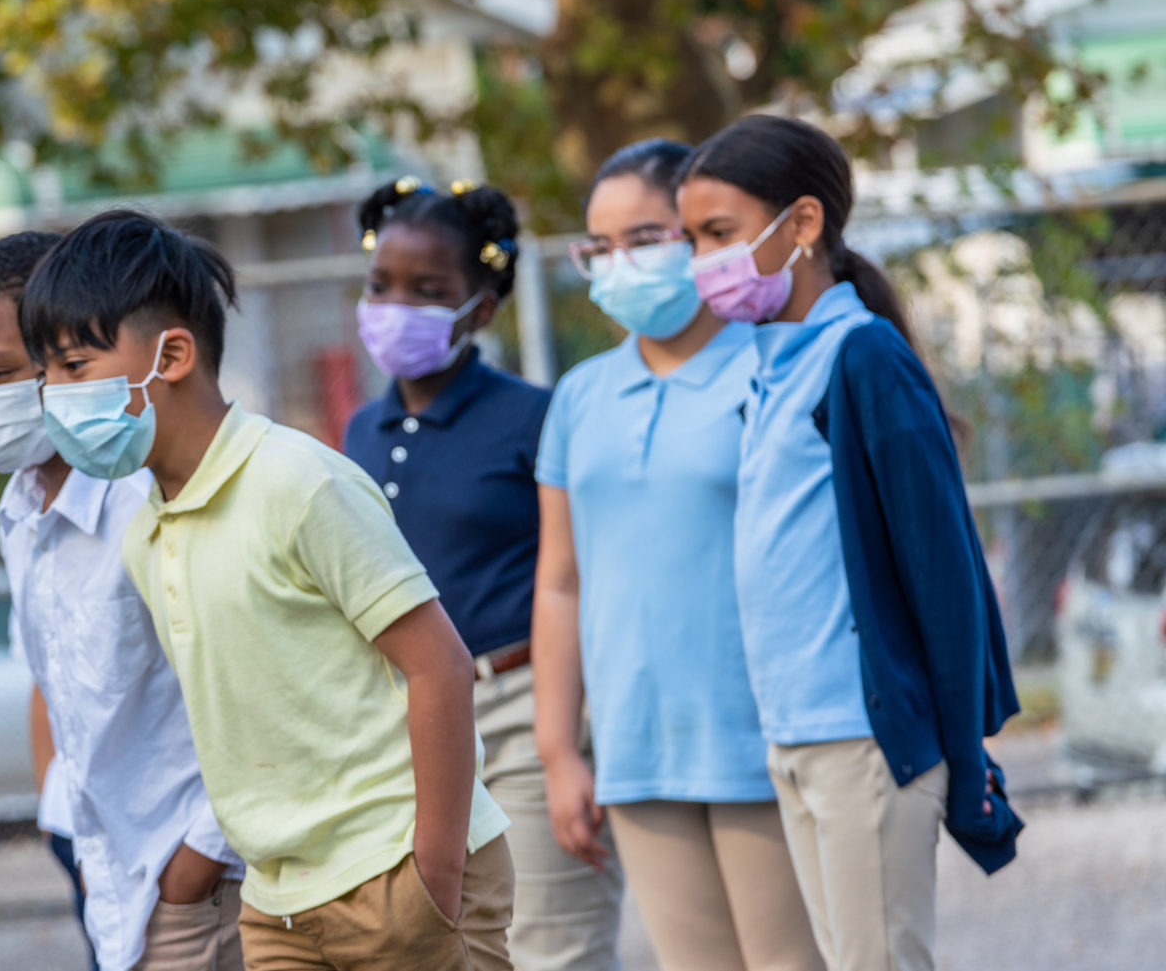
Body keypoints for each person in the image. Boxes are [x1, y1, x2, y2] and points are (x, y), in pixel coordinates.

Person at [23, 209, 513, 971]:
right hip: (277, 902)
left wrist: (433, 873)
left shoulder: (298, 480)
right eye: (44, 372)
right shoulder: (144, 531)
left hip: (395, 874)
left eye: (74, 366)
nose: (53, 395)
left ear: (174, 353)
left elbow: (438, 665)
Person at [676, 114, 1022, 971]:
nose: (700, 261)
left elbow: (941, 568)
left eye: (718, 233)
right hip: (791, 736)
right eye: (691, 238)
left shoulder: (862, 357)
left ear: (801, 225)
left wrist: (960, 747)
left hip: (863, 740)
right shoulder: (768, 364)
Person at [533, 140, 822, 971]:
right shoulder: (581, 397)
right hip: (636, 751)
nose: (622, 264)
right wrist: (560, 751)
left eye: (649, 238)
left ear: (700, 234)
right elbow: (560, 582)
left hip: (765, 742)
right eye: (601, 246)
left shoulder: (773, 368)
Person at [0, 231, 245, 971]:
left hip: (189, 874)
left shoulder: (149, 496)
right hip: (101, 863)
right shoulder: (19, 508)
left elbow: (249, 691)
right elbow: (52, 681)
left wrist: (197, 857)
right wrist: (61, 817)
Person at [343, 178, 625, 971]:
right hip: (405, 725)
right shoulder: (360, 429)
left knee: (550, 950)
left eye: (428, 291)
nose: (397, 306)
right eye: (381, 286)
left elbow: (583, 574)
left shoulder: (538, 415)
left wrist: (565, 735)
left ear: (482, 308)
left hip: (522, 714)